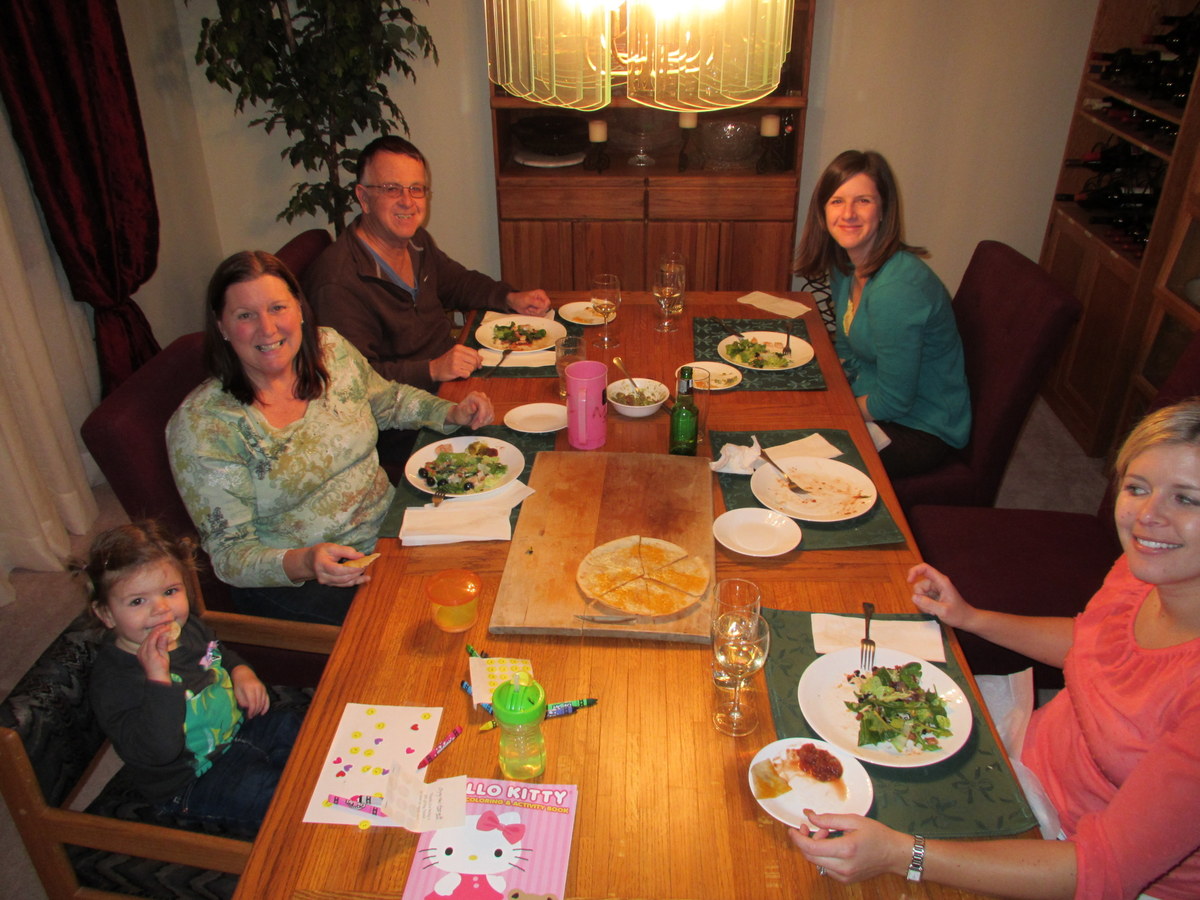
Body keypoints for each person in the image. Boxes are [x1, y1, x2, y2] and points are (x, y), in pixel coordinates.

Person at [789, 399, 1200, 899]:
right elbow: (1094, 643)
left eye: (1187, 499)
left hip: (1067, 857)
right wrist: (971, 618)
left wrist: (901, 854)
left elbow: (1101, 870)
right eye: (1137, 488)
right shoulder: (1146, 574)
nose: (1148, 516)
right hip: (1023, 759)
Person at [167, 250, 494, 625]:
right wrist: (305, 562)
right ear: (221, 326)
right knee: (426, 623)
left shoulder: (330, 350)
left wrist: (449, 412)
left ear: (299, 309)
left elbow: (388, 400)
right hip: (304, 581)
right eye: (245, 315)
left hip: (389, 528)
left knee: (486, 571)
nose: (267, 328)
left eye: (277, 308)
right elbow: (230, 555)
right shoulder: (204, 425)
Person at [86, 521, 302, 836]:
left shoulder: (188, 630)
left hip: (239, 730)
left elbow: (217, 654)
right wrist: (159, 680)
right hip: (192, 779)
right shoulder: (115, 681)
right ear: (106, 614)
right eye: (137, 601)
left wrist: (239, 671)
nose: (161, 609)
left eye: (170, 592)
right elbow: (159, 751)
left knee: (305, 734)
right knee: (284, 804)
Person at [303, 134, 551, 392]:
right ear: (364, 198)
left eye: (416, 189)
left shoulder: (415, 241)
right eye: (392, 189)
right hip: (408, 407)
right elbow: (353, 381)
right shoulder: (337, 284)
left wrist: (510, 297)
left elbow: (458, 283)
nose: (407, 201)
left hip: (451, 379)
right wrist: (432, 369)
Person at [793, 150, 970, 478]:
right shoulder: (846, 265)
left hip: (917, 425)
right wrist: (819, 389)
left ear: (884, 209)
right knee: (782, 412)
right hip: (873, 394)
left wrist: (829, 409)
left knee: (794, 464)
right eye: (837, 201)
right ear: (822, 210)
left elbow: (895, 401)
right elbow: (846, 349)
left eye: (863, 201)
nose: (848, 213)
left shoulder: (897, 288)